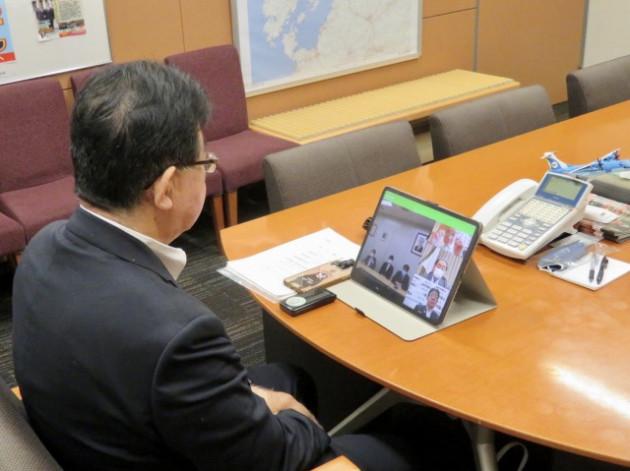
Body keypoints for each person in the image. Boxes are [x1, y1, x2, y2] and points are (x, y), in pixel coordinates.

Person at [12, 61, 425, 471]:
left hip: (95, 431)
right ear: (166, 188)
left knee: (291, 377)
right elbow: (274, 457)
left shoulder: (42, 250)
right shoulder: (179, 334)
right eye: (204, 162)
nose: (209, 168)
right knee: (405, 448)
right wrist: (299, 422)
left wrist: (266, 403)